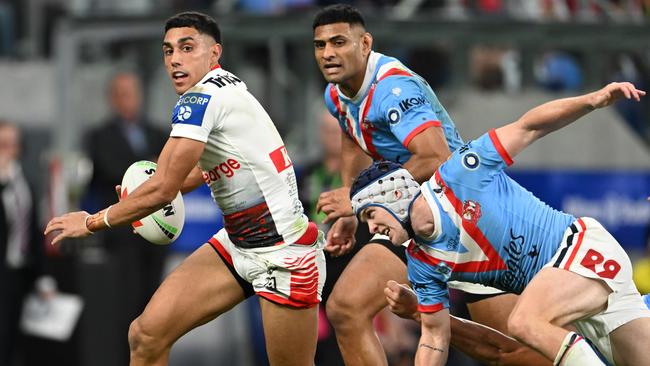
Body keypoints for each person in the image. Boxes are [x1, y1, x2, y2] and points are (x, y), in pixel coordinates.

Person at [45, 11, 325, 366]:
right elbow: (198, 173)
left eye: (187, 47)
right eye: (168, 50)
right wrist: (143, 200)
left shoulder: (200, 100)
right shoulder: (228, 85)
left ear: (214, 54)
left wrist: (92, 222)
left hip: (283, 252)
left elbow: (163, 187)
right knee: (145, 335)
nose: (175, 59)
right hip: (237, 243)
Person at [350, 82, 650, 365]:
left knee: (523, 322)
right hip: (573, 294)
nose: (372, 229)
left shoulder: (459, 174)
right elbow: (434, 338)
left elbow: (529, 127)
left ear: (395, 193)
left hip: (580, 249)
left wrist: (592, 101)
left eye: (370, 215)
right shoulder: (422, 263)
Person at [312, 4, 546, 365]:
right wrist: (351, 211)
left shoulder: (394, 89)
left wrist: (357, 198)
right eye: (320, 45)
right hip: (416, 219)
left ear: (365, 43)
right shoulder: (338, 93)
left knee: (513, 350)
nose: (328, 53)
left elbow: (434, 157)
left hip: (468, 217)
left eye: (339, 42)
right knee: (346, 308)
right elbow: (351, 134)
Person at [84, 71, 169, 365]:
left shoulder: (160, 133)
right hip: (122, 238)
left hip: (155, 237)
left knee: (155, 307)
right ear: (112, 98)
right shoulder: (99, 136)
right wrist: (153, 170)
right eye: (120, 93)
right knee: (126, 309)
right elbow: (116, 171)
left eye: (131, 92)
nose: (127, 99)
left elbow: (171, 173)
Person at [0, 121, 44, 366]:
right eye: (2, 143)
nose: (7, 149)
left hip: (20, 271)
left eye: (12, 144)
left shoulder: (24, 177)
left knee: (16, 339)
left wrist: (42, 275)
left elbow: (32, 227)